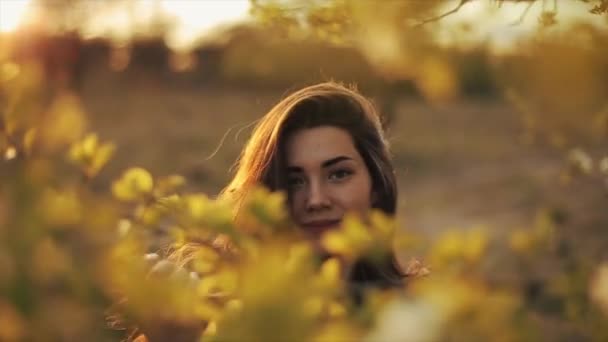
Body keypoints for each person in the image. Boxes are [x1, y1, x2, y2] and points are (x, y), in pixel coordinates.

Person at [220, 81, 406, 293]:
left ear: (376, 185)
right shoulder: (225, 314)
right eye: (294, 181)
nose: (316, 200)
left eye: (339, 174)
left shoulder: (420, 314)